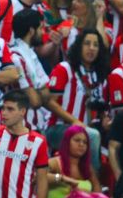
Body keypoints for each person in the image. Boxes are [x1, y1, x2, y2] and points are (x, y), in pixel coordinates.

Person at [44, 29, 109, 170]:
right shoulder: (64, 68)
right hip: (57, 127)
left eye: (96, 45)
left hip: (85, 130)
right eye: (87, 43)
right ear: (79, 46)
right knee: (92, 136)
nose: (91, 48)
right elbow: (49, 102)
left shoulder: (100, 76)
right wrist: (74, 121)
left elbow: (100, 108)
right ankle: (93, 182)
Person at [45, 125, 108, 198]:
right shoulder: (54, 162)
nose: (81, 144)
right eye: (77, 140)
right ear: (67, 142)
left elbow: (97, 196)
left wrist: (86, 194)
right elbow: (38, 177)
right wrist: (62, 178)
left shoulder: (88, 169)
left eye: (85, 142)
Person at [10, 10, 54, 133]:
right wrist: (39, 92)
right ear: (31, 31)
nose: (42, 32)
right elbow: (35, 101)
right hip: (24, 127)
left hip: (38, 124)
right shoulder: (16, 57)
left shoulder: (31, 54)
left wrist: (39, 92)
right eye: (40, 28)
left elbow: (47, 93)